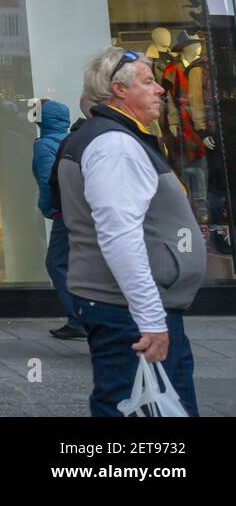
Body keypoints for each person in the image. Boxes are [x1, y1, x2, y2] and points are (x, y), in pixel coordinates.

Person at [58, 48, 206, 417]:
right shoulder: (115, 145)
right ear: (118, 90)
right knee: (130, 405)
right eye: (148, 81)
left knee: (149, 403)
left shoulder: (116, 137)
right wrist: (151, 319)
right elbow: (119, 234)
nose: (160, 89)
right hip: (127, 309)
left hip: (129, 306)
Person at [32, 99, 84, 340]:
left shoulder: (44, 145)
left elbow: (47, 180)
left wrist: (49, 208)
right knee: (72, 262)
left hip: (63, 211)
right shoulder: (71, 139)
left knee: (56, 263)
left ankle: (78, 318)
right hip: (77, 209)